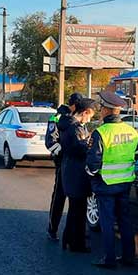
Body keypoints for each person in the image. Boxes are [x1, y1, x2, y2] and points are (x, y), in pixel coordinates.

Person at [86, 90, 138, 269]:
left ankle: (109, 258)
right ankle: (129, 257)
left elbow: (93, 162)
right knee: (125, 221)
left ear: (107, 111)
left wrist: (92, 176)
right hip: (125, 182)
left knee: (107, 222)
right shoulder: (132, 131)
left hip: (106, 183)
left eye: (101, 108)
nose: (100, 111)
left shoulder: (101, 132)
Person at [58, 97, 97, 253]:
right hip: (76, 173)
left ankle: (69, 239)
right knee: (78, 210)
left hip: (71, 171)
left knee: (75, 209)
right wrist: (89, 144)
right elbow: (79, 149)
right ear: (85, 112)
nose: (90, 119)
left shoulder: (70, 125)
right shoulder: (75, 128)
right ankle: (76, 244)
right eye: (91, 115)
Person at [45, 93, 83, 242]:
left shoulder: (77, 118)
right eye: (78, 105)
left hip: (77, 163)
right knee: (59, 197)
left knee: (78, 198)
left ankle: (77, 231)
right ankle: (52, 229)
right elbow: (50, 141)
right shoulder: (56, 118)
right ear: (72, 104)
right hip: (63, 163)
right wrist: (64, 152)